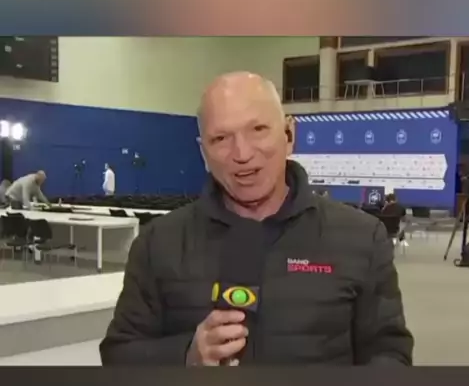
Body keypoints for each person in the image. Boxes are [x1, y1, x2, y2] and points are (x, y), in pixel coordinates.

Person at [100, 73, 414, 366]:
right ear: (203, 152)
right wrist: (186, 356)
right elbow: (118, 354)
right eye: (220, 138)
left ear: (289, 135)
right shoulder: (158, 243)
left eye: (258, 129)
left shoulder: (362, 238)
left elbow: (389, 353)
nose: (242, 153)